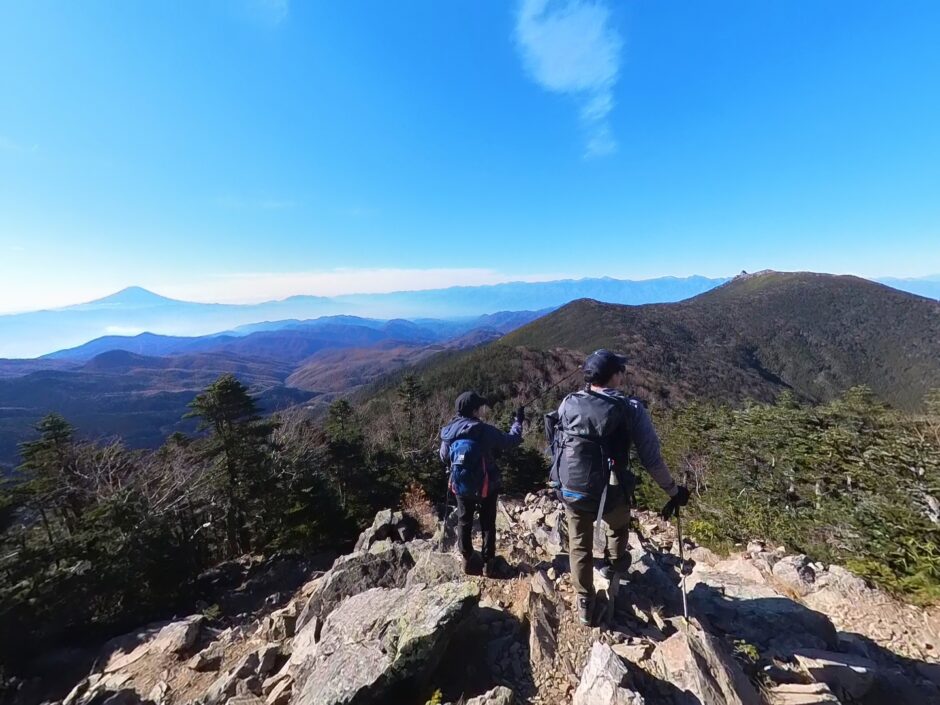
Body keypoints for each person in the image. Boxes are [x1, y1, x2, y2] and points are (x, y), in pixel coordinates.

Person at [550, 350, 689, 626]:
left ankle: (585, 602)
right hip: (610, 491)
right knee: (617, 527)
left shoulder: (568, 402)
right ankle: (614, 566)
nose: (623, 375)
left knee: (579, 545)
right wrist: (673, 491)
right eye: (620, 371)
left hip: (572, 489)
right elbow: (652, 460)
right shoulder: (631, 408)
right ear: (613, 376)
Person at [440, 391, 524, 577]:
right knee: (488, 522)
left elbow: (444, 456)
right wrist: (518, 422)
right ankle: (488, 563)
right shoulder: (484, 430)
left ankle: (467, 558)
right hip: (488, 483)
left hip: (460, 484)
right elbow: (511, 441)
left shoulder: (448, 432)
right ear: (474, 410)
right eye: (479, 407)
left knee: (464, 520)